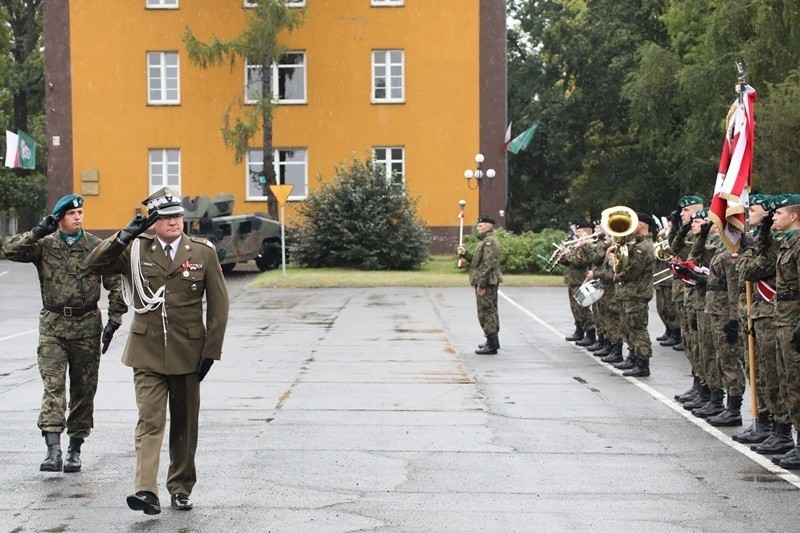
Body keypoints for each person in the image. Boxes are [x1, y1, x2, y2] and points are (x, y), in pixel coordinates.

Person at [87, 187, 229, 514]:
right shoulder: (135, 250)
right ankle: (146, 491)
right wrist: (122, 236)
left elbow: (219, 307)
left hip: (188, 352)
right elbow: (95, 263)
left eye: (177, 215)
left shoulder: (203, 252)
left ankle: (180, 488)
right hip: (146, 352)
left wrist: (211, 351)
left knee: (184, 424)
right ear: (152, 222)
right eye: (165, 218)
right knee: (150, 420)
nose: (174, 222)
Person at [2, 194, 127, 473]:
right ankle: (53, 450)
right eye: (72, 214)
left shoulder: (96, 246)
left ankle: (74, 450)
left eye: (81, 212)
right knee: (53, 387)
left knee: (84, 390)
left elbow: (115, 282)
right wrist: (39, 231)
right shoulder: (45, 245)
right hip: (53, 327)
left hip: (86, 327)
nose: (78, 217)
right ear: (60, 219)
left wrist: (115, 318)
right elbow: (9, 250)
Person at [611, 212, 656, 377]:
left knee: (637, 328)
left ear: (642, 225)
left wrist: (617, 276)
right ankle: (633, 356)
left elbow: (633, 271)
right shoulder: (635, 244)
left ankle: (643, 362)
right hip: (628, 293)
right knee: (627, 327)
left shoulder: (643, 247)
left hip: (637, 294)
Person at [457, 215, 503, 355]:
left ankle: (492, 343)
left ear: (488, 227)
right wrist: (465, 254)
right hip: (487, 281)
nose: (478, 228)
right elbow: (478, 263)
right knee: (489, 310)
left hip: (487, 282)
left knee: (486, 311)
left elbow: (488, 265)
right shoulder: (485, 242)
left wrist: (481, 284)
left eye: (480, 226)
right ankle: (491, 340)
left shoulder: (489, 242)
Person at [561, 219, 597, 343]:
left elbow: (580, 262)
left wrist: (569, 255)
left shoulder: (588, 245)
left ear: (586, 231)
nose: (577, 233)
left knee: (583, 308)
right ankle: (579, 329)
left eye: (580, 230)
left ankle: (590, 333)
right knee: (575, 308)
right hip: (573, 279)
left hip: (581, 280)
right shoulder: (578, 244)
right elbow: (571, 263)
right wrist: (563, 257)